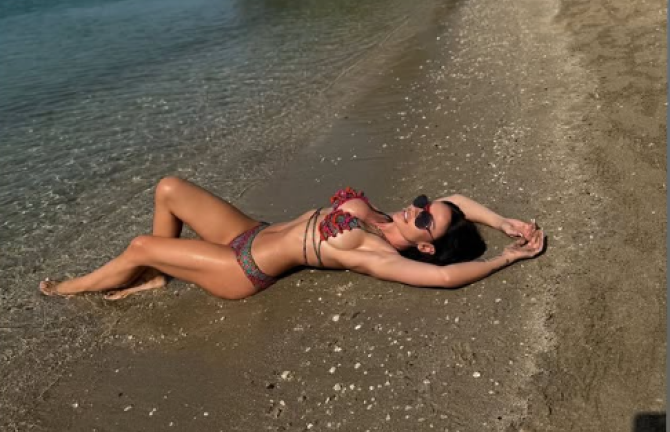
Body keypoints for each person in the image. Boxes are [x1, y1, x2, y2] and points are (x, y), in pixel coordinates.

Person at [39, 179, 544, 302]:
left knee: (141, 244)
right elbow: (456, 200)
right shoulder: (389, 216)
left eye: (425, 219)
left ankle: (69, 288)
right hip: (250, 232)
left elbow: (449, 277)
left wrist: (507, 258)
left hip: (242, 269)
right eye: (423, 202)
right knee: (169, 189)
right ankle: (156, 277)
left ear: (425, 246)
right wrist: (504, 222)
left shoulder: (379, 255)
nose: (418, 208)